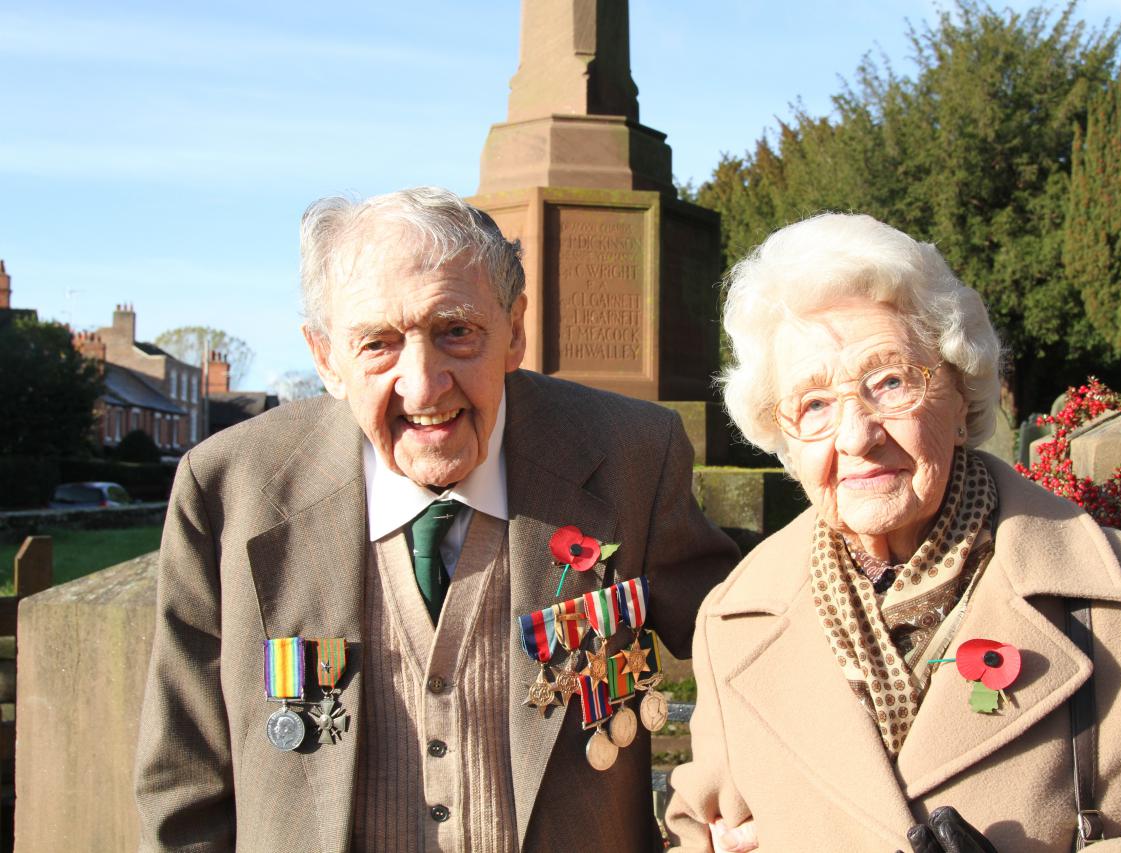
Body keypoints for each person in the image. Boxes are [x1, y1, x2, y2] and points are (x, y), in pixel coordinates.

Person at [135, 186, 739, 852]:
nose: (423, 385)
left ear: (514, 330)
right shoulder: (230, 488)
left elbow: (743, 635)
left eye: (456, 332)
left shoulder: (631, 453)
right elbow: (183, 784)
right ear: (326, 357)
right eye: (378, 343)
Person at [665, 213, 1121, 851]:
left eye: (890, 383)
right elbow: (695, 830)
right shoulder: (734, 624)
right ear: (785, 439)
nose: (856, 436)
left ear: (962, 396)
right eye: (814, 404)